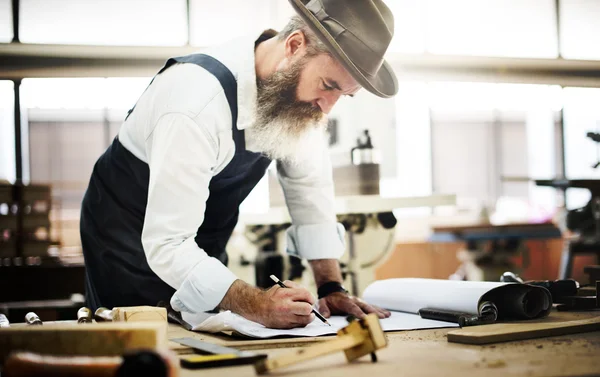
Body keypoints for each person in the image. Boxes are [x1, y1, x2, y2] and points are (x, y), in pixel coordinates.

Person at [80, 0, 398, 329]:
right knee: (137, 343)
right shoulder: (194, 103)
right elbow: (168, 242)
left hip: (202, 240)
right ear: (294, 45)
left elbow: (309, 191)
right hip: (126, 237)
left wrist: (331, 285)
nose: (327, 107)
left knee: (208, 339)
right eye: (328, 85)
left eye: (343, 95)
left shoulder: (302, 103)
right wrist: (254, 302)